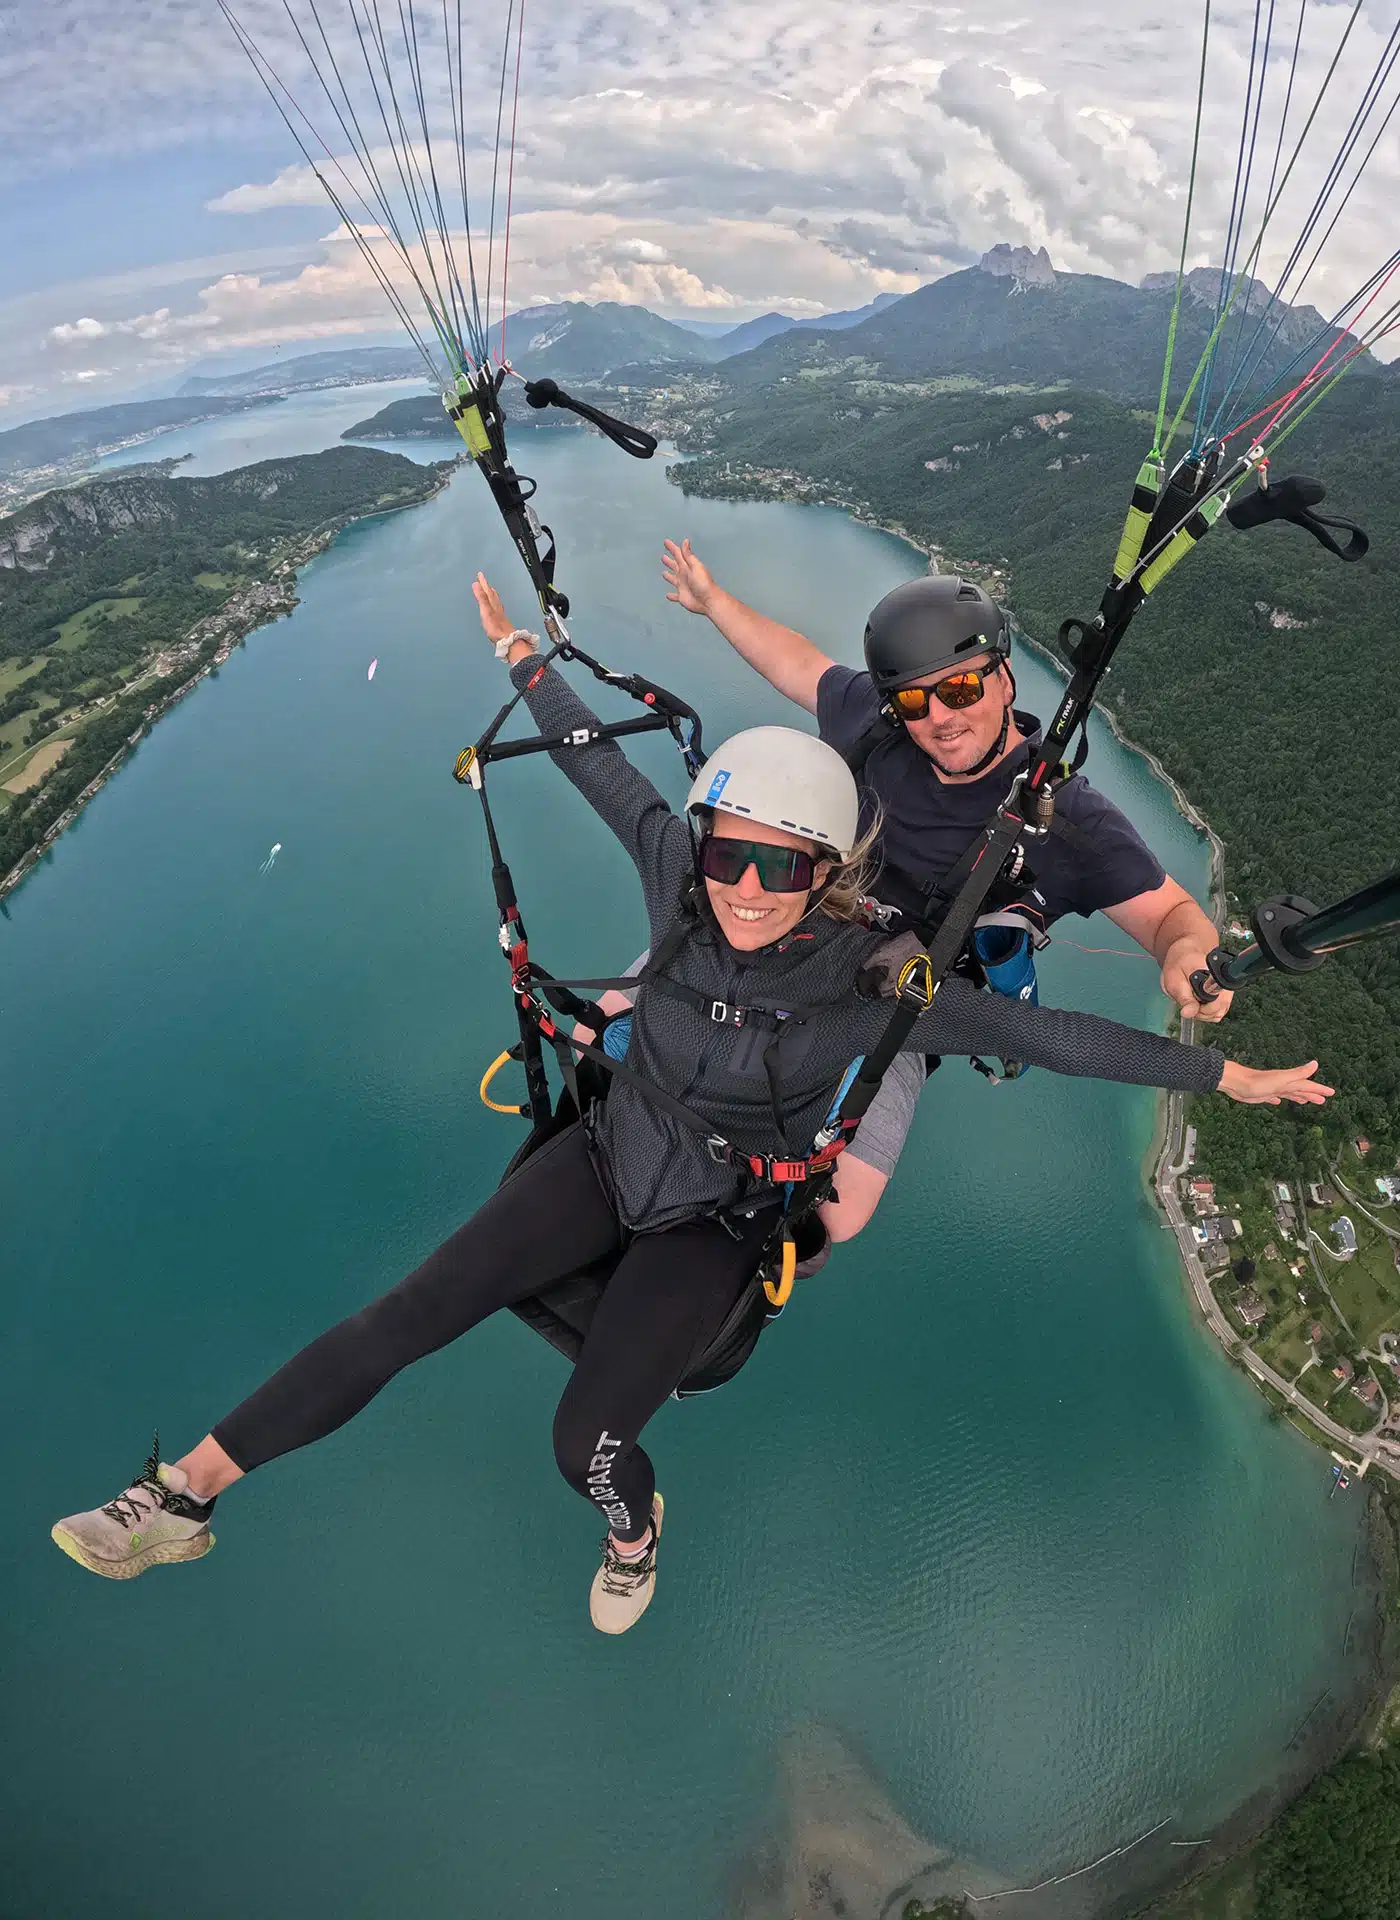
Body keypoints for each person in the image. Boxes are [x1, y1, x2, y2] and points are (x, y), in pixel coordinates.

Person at [51, 574, 1332, 1635]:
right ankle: (182, 1497)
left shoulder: (881, 986)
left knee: (586, 1443)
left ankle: (632, 1528)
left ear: (828, 871)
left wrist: (1217, 1069)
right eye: (729, 855)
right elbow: (599, 767)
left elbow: (1045, 1032)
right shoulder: (691, 865)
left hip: (717, 1211)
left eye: (780, 869)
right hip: (619, 1150)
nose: (747, 885)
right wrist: (527, 656)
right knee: (408, 1313)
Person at [661, 540, 1234, 1235]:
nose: (941, 716)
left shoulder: (1062, 817)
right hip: (806, 935)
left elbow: (1170, 912)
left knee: (839, 1216)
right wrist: (712, 599)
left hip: (907, 1002)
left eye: (961, 689)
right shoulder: (877, 730)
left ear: (1004, 682)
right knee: (621, 1013)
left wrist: (1186, 953)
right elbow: (798, 664)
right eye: (915, 700)